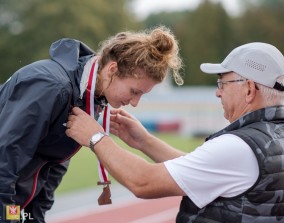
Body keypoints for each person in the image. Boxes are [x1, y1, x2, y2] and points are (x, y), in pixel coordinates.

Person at [66, 42, 284, 223]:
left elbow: (143, 182)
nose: (218, 93)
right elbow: (202, 170)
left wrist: (95, 137)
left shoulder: (239, 147)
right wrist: (144, 141)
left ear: (249, 89)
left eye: (223, 83)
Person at [0, 26, 183, 222]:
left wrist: (33, 217)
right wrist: (10, 218)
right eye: (134, 91)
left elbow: (55, 163)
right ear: (112, 69)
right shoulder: (52, 87)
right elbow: (5, 160)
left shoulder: (89, 98)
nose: (135, 103)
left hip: (18, 204)